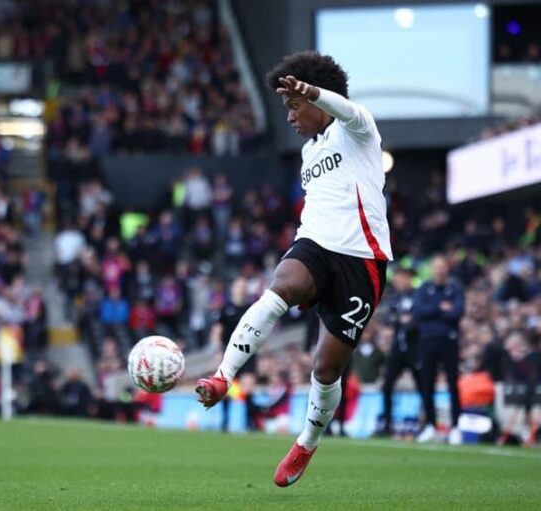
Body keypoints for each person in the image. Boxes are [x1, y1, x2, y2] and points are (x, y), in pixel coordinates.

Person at [195, 51, 392, 488]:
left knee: (326, 369)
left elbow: (347, 108)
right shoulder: (308, 154)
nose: (290, 116)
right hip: (316, 245)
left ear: (317, 100)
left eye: (293, 106)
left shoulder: (359, 131)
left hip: (362, 261)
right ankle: (223, 376)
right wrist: (303, 97)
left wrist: (313, 92)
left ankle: (306, 442)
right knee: (283, 284)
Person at [413, 255, 464, 444]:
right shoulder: (424, 288)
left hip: (449, 341)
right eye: (437, 267)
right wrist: (441, 307)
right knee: (427, 384)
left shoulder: (455, 288)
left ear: (447, 268)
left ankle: (456, 426)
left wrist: (433, 310)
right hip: (427, 341)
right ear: (432, 269)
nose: (440, 270)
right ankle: (431, 426)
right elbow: (418, 312)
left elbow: (457, 312)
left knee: (453, 383)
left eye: (443, 266)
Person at [379, 267, 420, 435]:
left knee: (423, 386)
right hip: (397, 349)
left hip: (415, 349)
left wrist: (400, 320)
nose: (398, 282)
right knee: (387, 386)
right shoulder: (395, 298)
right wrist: (401, 320)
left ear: (408, 278)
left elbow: (415, 322)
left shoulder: (417, 296)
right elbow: (389, 318)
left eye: (401, 278)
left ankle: (425, 423)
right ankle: (387, 424)